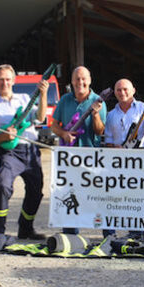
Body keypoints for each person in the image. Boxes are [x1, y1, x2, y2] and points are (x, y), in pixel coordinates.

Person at [0, 64, 47, 240]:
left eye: (8, 79)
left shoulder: (25, 99)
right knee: (2, 185)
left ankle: (26, 229)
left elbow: (40, 117)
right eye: (1, 80)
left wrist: (43, 94)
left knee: (36, 191)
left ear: (14, 80)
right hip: (10, 153)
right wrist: (2, 137)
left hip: (31, 150)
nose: (5, 83)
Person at [51, 66, 107, 235]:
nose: (80, 82)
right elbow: (54, 125)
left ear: (89, 81)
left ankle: (107, 234)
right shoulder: (65, 100)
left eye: (83, 79)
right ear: (72, 81)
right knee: (69, 194)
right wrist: (64, 134)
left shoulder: (98, 101)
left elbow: (100, 131)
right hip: (69, 158)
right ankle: (70, 233)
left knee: (98, 196)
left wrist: (96, 115)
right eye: (77, 79)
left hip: (92, 156)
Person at [104, 78, 144, 239]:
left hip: (141, 158)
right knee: (114, 196)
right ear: (115, 93)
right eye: (119, 90)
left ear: (133, 90)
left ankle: (137, 233)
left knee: (138, 197)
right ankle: (110, 234)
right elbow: (107, 141)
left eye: (125, 89)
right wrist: (116, 149)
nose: (122, 93)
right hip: (118, 161)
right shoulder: (111, 115)